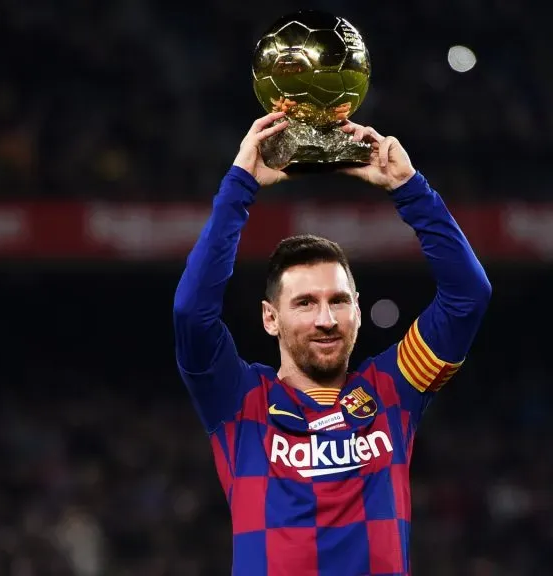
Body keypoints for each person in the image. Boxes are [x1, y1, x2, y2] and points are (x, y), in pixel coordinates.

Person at [173, 110, 492, 576]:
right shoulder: (239, 402)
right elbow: (191, 313)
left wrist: (410, 188)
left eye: (338, 301)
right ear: (270, 318)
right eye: (304, 303)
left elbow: (468, 296)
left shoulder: (394, 388)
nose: (326, 319)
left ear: (358, 311)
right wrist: (241, 185)